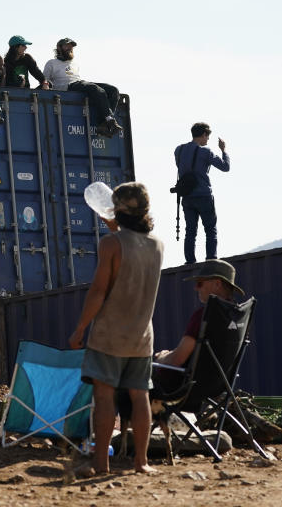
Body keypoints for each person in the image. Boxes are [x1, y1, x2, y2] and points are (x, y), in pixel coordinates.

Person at [69, 183, 163, 476]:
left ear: (115, 211)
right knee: (140, 396)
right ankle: (142, 463)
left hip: (109, 336)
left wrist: (80, 328)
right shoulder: (157, 245)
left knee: (105, 397)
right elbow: (134, 262)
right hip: (141, 338)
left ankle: (101, 464)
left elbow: (99, 291)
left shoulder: (110, 244)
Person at [153, 259, 244, 379]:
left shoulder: (204, 315)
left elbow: (177, 359)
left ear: (217, 284)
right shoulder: (240, 316)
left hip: (183, 385)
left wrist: (161, 357)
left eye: (200, 283)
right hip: (219, 386)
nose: (196, 288)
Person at [174, 122, 230, 265]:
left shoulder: (178, 150)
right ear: (204, 134)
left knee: (190, 231)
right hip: (203, 195)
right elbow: (225, 167)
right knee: (210, 229)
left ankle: (190, 261)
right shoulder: (206, 152)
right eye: (207, 137)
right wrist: (224, 151)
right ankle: (211, 259)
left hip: (186, 197)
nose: (208, 140)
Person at [42, 37, 121, 136]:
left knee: (113, 90)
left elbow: (78, 81)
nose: (70, 48)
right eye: (67, 46)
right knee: (96, 90)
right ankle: (110, 120)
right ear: (59, 47)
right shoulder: (51, 63)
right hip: (66, 86)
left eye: (71, 46)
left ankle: (103, 124)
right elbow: (44, 80)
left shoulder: (74, 64)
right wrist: (46, 85)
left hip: (78, 83)